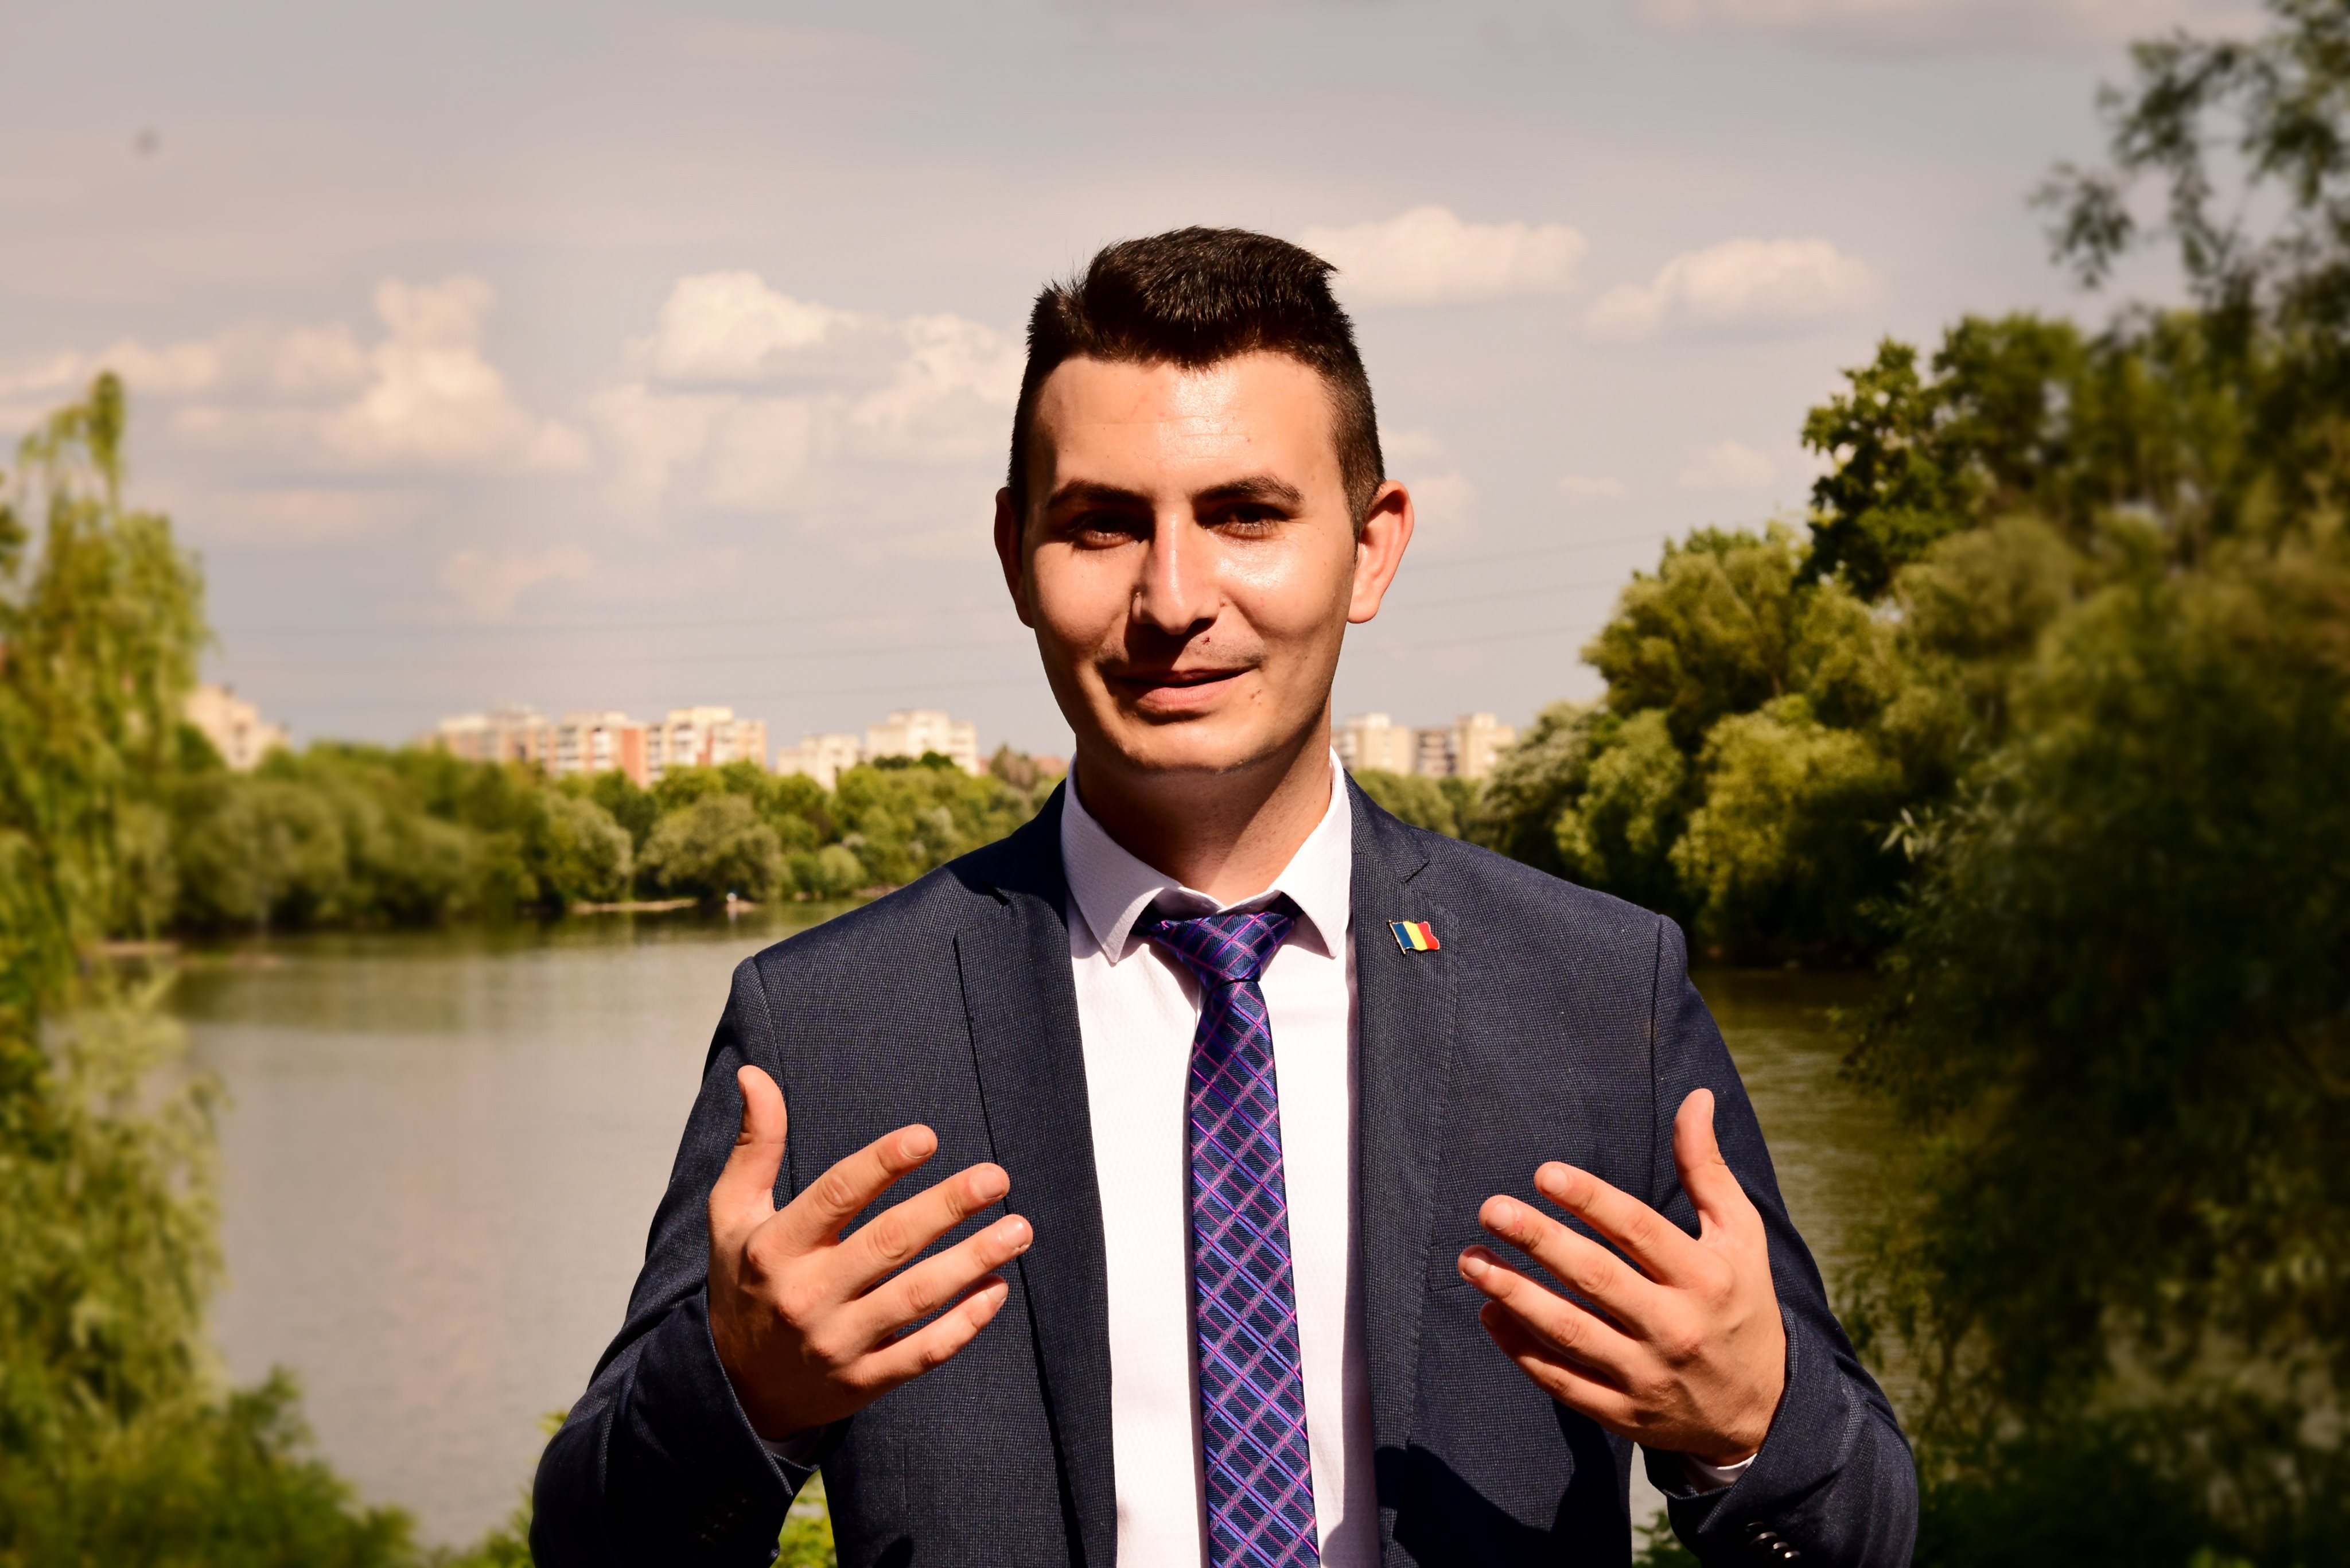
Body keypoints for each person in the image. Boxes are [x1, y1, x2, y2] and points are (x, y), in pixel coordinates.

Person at [532, 227, 1917, 1568]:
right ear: (1014, 555)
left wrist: (1745, 1427)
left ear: (1370, 546)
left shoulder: (1596, 992)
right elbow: (590, 1541)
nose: (1172, 597)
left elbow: (1864, 1529)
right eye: (1099, 525)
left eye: (1245, 514)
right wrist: (737, 1396)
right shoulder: (831, 1023)